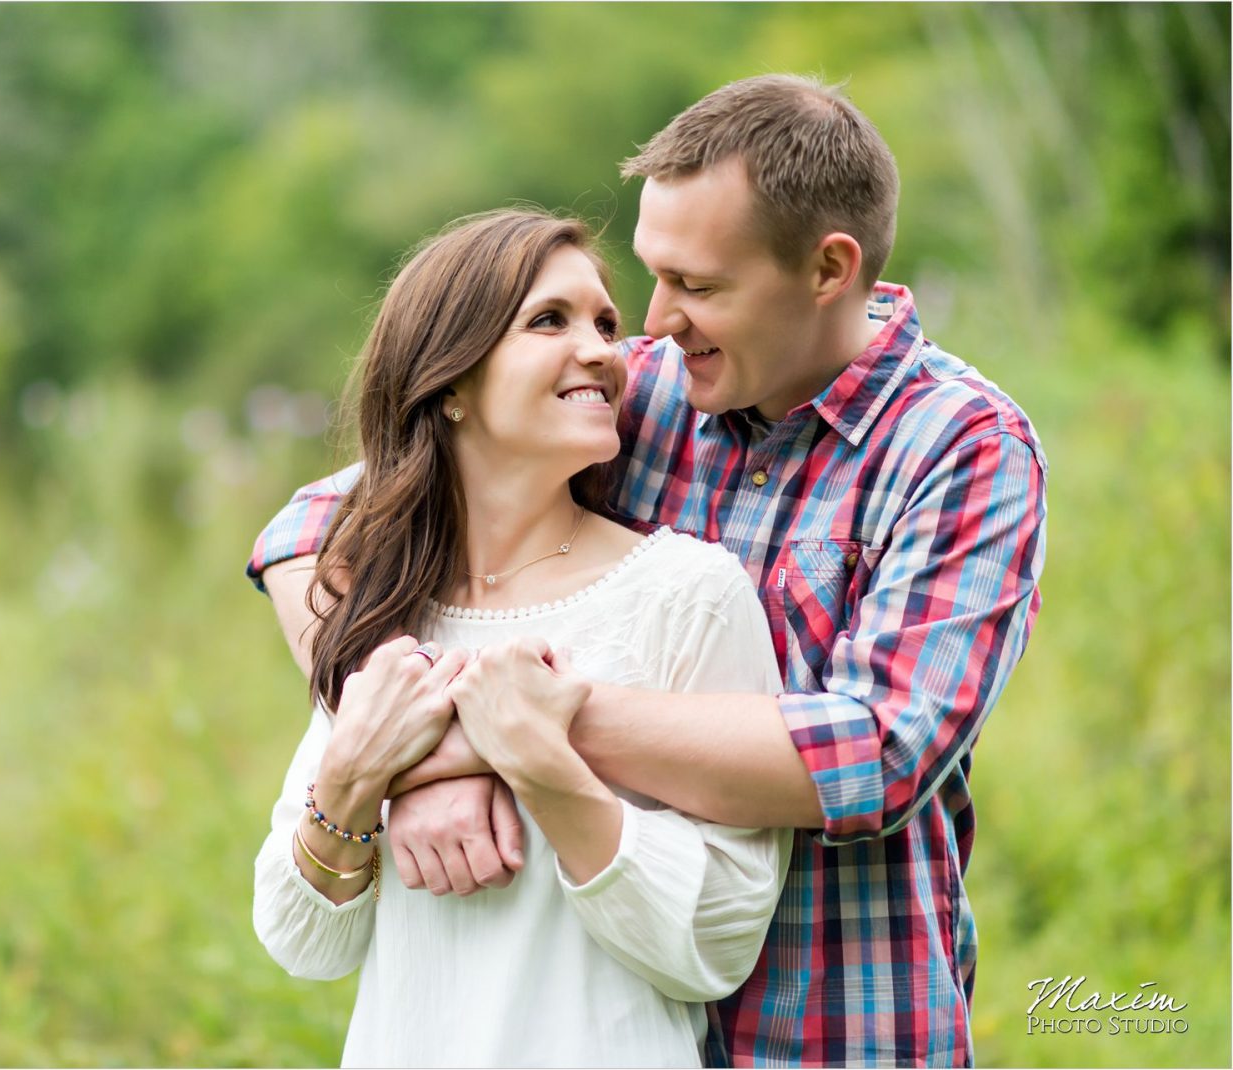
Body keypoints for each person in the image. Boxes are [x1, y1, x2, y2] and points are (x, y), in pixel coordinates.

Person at [249, 75, 1048, 1067]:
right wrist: (392, 754)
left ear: (827, 268)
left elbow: (877, 749)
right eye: (653, 278)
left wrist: (501, 731)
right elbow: (309, 526)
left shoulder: (959, 447)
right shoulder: (639, 389)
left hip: (831, 1023)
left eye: (699, 285)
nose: (654, 323)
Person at [251, 209, 792, 1068]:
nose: (604, 351)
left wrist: (541, 766)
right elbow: (300, 938)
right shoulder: (386, 611)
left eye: (605, 324)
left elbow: (717, 943)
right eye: (551, 320)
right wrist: (357, 777)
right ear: (451, 383)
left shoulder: (687, 595)